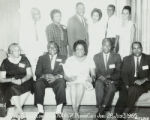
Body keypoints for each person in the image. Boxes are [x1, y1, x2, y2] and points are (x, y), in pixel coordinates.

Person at [115, 42, 150, 119]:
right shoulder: (126, 59)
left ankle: (124, 113)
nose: (137, 50)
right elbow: (124, 74)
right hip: (129, 81)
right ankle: (117, 113)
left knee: (133, 89)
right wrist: (127, 85)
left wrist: (144, 79)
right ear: (132, 50)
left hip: (144, 83)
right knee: (124, 91)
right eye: (134, 48)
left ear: (142, 48)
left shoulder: (148, 58)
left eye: (138, 48)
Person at [0, 43, 34, 120]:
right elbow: (1, 79)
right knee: (12, 88)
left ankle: (15, 113)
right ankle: (21, 112)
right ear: (10, 53)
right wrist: (12, 80)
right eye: (15, 51)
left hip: (25, 80)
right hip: (11, 81)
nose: (18, 52)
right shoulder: (5, 62)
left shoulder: (24, 59)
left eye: (19, 50)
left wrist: (21, 80)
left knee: (29, 87)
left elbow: (29, 74)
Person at [34, 41, 66, 120]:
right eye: (50, 47)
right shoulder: (42, 58)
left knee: (62, 82)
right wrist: (45, 75)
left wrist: (56, 77)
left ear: (57, 48)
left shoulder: (63, 58)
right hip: (44, 79)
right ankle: (40, 111)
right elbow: (37, 72)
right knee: (38, 83)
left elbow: (66, 71)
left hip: (57, 79)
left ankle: (58, 112)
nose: (52, 48)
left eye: (54, 47)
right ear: (47, 49)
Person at [63, 40, 95, 120]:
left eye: (82, 49)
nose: (79, 51)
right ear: (74, 50)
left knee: (80, 85)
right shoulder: (70, 59)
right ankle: (76, 112)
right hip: (73, 80)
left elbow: (93, 74)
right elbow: (65, 75)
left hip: (84, 81)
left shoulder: (89, 59)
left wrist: (91, 78)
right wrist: (69, 78)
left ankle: (75, 113)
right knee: (74, 86)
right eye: (77, 49)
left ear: (85, 50)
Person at [93, 38, 121, 120]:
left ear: (111, 46)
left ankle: (101, 111)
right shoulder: (96, 57)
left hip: (112, 80)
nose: (107, 47)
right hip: (100, 79)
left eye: (109, 45)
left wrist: (109, 78)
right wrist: (104, 79)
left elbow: (119, 72)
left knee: (111, 88)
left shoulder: (117, 56)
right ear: (102, 46)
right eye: (105, 45)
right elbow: (96, 71)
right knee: (98, 84)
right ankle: (102, 109)